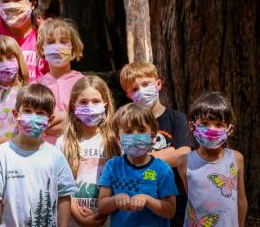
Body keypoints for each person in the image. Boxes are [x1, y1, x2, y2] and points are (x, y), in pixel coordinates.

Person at [0, 84, 77, 227]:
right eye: (27, 111)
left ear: (49, 121)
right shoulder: (1, 154)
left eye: (40, 113)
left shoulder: (56, 156)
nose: (33, 117)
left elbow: (64, 196)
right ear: (16, 115)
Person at [119, 61, 195, 225]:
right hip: (138, 204)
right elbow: (127, 160)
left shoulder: (176, 118)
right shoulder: (127, 124)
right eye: (134, 89)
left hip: (176, 200)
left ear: (158, 84)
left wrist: (145, 158)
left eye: (145, 84)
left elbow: (184, 155)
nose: (141, 91)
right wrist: (170, 153)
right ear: (128, 95)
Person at [98, 103, 178, 227]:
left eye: (141, 130)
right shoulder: (113, 166)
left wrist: (148, 200)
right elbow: (102, 207)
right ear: (118, 137)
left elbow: (170, 211)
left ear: (152, 136)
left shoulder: (163, 169)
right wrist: (115, 200)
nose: (135, 136)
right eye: (128, 131)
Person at [56, 76, 119, 226]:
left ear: (105, 104)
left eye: (96, 101)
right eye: (83, 102)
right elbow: (60, 186)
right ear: (73, 106)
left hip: (109, 220)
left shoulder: (115, 142)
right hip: (73, 220)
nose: (90, 106)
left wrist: (104, 212)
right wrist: (79, 217)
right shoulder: (63, 142)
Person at [177, 92, 247, 227]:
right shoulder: (184, 162)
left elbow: (241, 199)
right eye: (204, 123)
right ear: (193, 126)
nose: (211, 130)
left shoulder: (236, 158)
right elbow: (191, 198)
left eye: (219, 124)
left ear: (229, 129)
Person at [37, 18, 84, 144]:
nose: (57, 47)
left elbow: (83, 121)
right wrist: (68, 117)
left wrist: (47, 123)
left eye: (63, 42)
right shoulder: (36, 86)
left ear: (73, 49)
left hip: (75, 149)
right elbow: (34, 123)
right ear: (42, 49)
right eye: (51, 42)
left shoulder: (83, 84)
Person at [0, 35, 29, 143]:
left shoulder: (26, 92)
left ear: (18, 59)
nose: (5, 64)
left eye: (10, 57)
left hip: (16, 150)